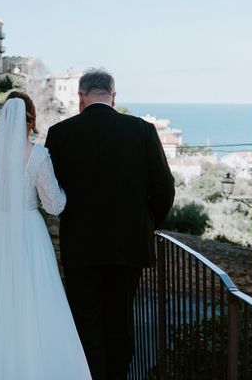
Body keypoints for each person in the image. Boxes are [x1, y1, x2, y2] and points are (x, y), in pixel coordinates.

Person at [0, 92, 92, 380]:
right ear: (29, 120)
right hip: (29, 238)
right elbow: (54, 205)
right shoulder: (37, 155)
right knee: (33, 305)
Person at [45, 69, 175, 380]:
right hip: (128, 245)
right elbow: (164, 188)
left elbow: (52, 193)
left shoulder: (60, 134)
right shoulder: (142, 130)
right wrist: (146, 223)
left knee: (85, 323)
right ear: (113, 97)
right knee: (119, 321)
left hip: (80, 247)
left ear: (80, 98)